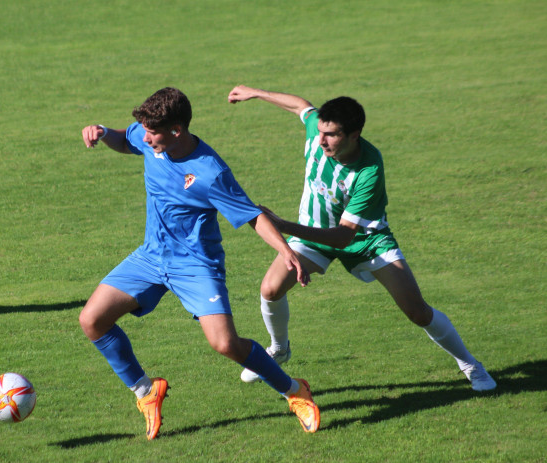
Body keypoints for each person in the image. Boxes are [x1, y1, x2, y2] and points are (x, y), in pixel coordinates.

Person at [79, 87, 320, 439]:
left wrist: (286, 252)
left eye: (152, 132)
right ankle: (146, 392)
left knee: (225, 344)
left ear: (176, 131)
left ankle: (294, 390)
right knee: (92, 320)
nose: (145, 137)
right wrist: (102, 132)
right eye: (144, 129)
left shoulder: (210, 172)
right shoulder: (149, 138)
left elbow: (253, 216)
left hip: (195, 265)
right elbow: (124, 139)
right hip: (150, 256)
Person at [227, 85, 496, 392]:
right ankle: (279, 349)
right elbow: (300, 106)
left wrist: (283, 225)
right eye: (321, 132)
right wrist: (255, 93)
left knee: (417, 311)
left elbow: (343, 236)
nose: (321, 140)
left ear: (354, 135)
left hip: (366, 240)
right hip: (314, 233)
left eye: (331, 135)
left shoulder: (369, 169)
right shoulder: (320, 130)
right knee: (270, 288)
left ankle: (470, 364)